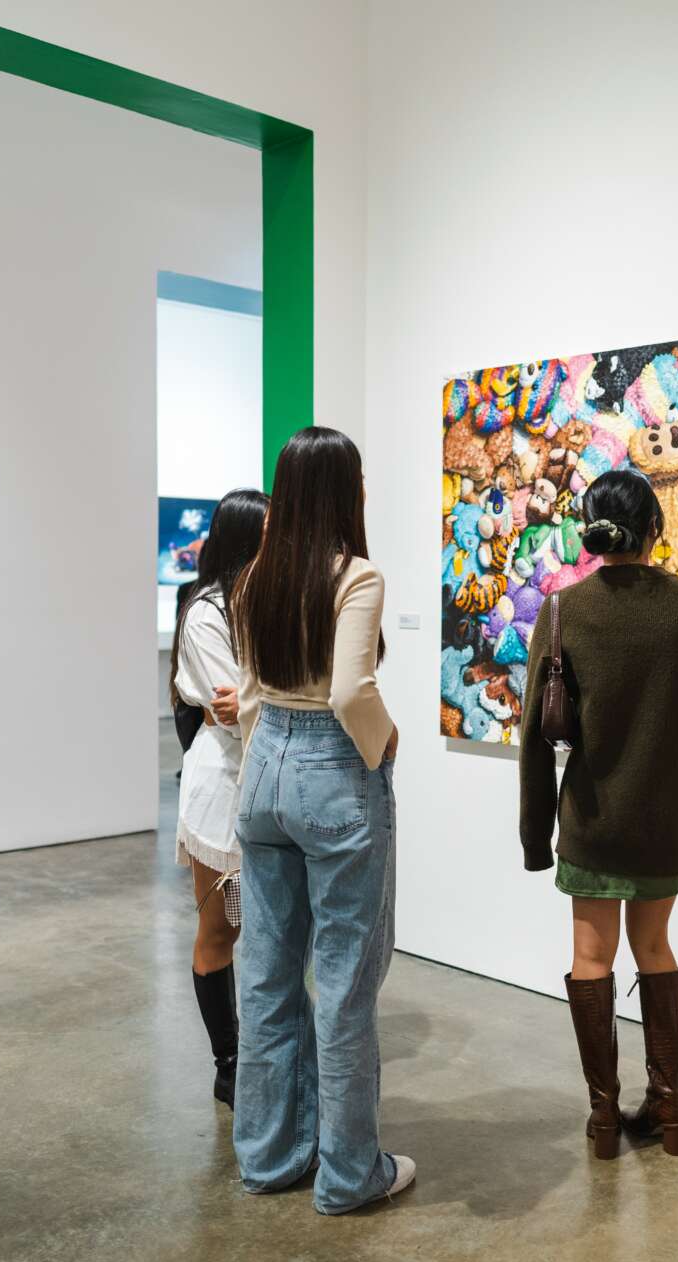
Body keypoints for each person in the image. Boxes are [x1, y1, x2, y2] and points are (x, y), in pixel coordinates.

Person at [518, 469, 678, 1161]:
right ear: (655, 529)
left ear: (590, 530)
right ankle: (668, 1111)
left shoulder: (563, 611)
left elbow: (533, 736)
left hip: (592, 820)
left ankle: (605, 1117)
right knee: (655, 948)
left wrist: (535, 836)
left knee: (590, 957)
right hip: (667, 824)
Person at [228, 427, 412, 1215]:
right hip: (332, 769)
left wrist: (259, 766)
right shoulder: (357, 575)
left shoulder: (256, 575)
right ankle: (347, 1175)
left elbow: (247, 691)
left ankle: (269, 1158)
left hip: (263, 767)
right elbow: (349, 692)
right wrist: (384, 742)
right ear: (343, 490)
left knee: (266, 977)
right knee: (344, 983)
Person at [170, 488, 269, 1110]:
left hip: (270, 779)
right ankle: (228, 1064)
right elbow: (229, 712)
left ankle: (266, 1054)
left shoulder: (267, 602)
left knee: (275, 931)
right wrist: (274, 700)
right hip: (222, 788)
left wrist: (259, 699)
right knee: (220, 928)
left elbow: (251, 702)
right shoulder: (206, 613)